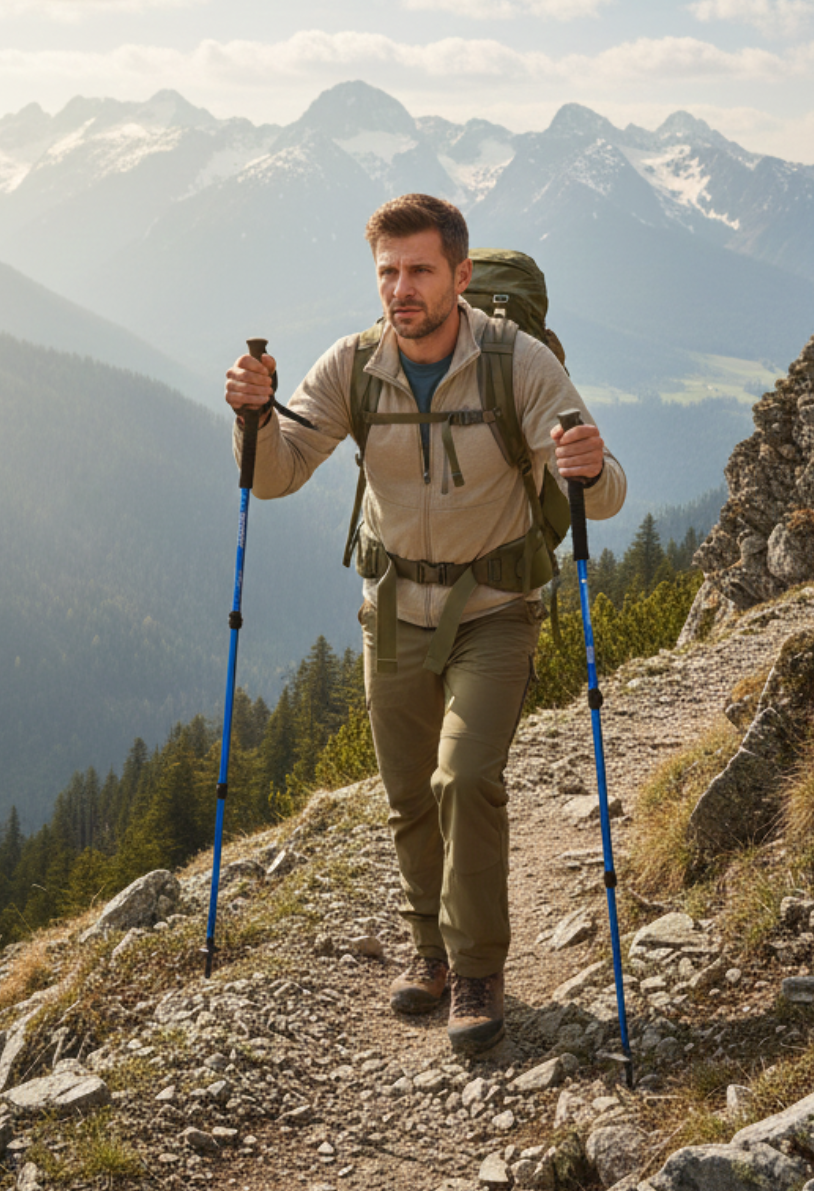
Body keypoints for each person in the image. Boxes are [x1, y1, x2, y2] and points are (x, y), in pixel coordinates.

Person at [224, 193, 625, 1052]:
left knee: (463, 777)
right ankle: (430, 951)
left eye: (419, 271)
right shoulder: (353, 365)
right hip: (393, 608)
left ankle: (478, 969)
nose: (400, 289)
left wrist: (592, 467)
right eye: (388, 272)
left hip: (494, 608)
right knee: (408, 795)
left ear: (461, 276)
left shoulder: (516, 364)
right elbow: (277, 475)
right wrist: (252, 419)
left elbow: (602, 486)